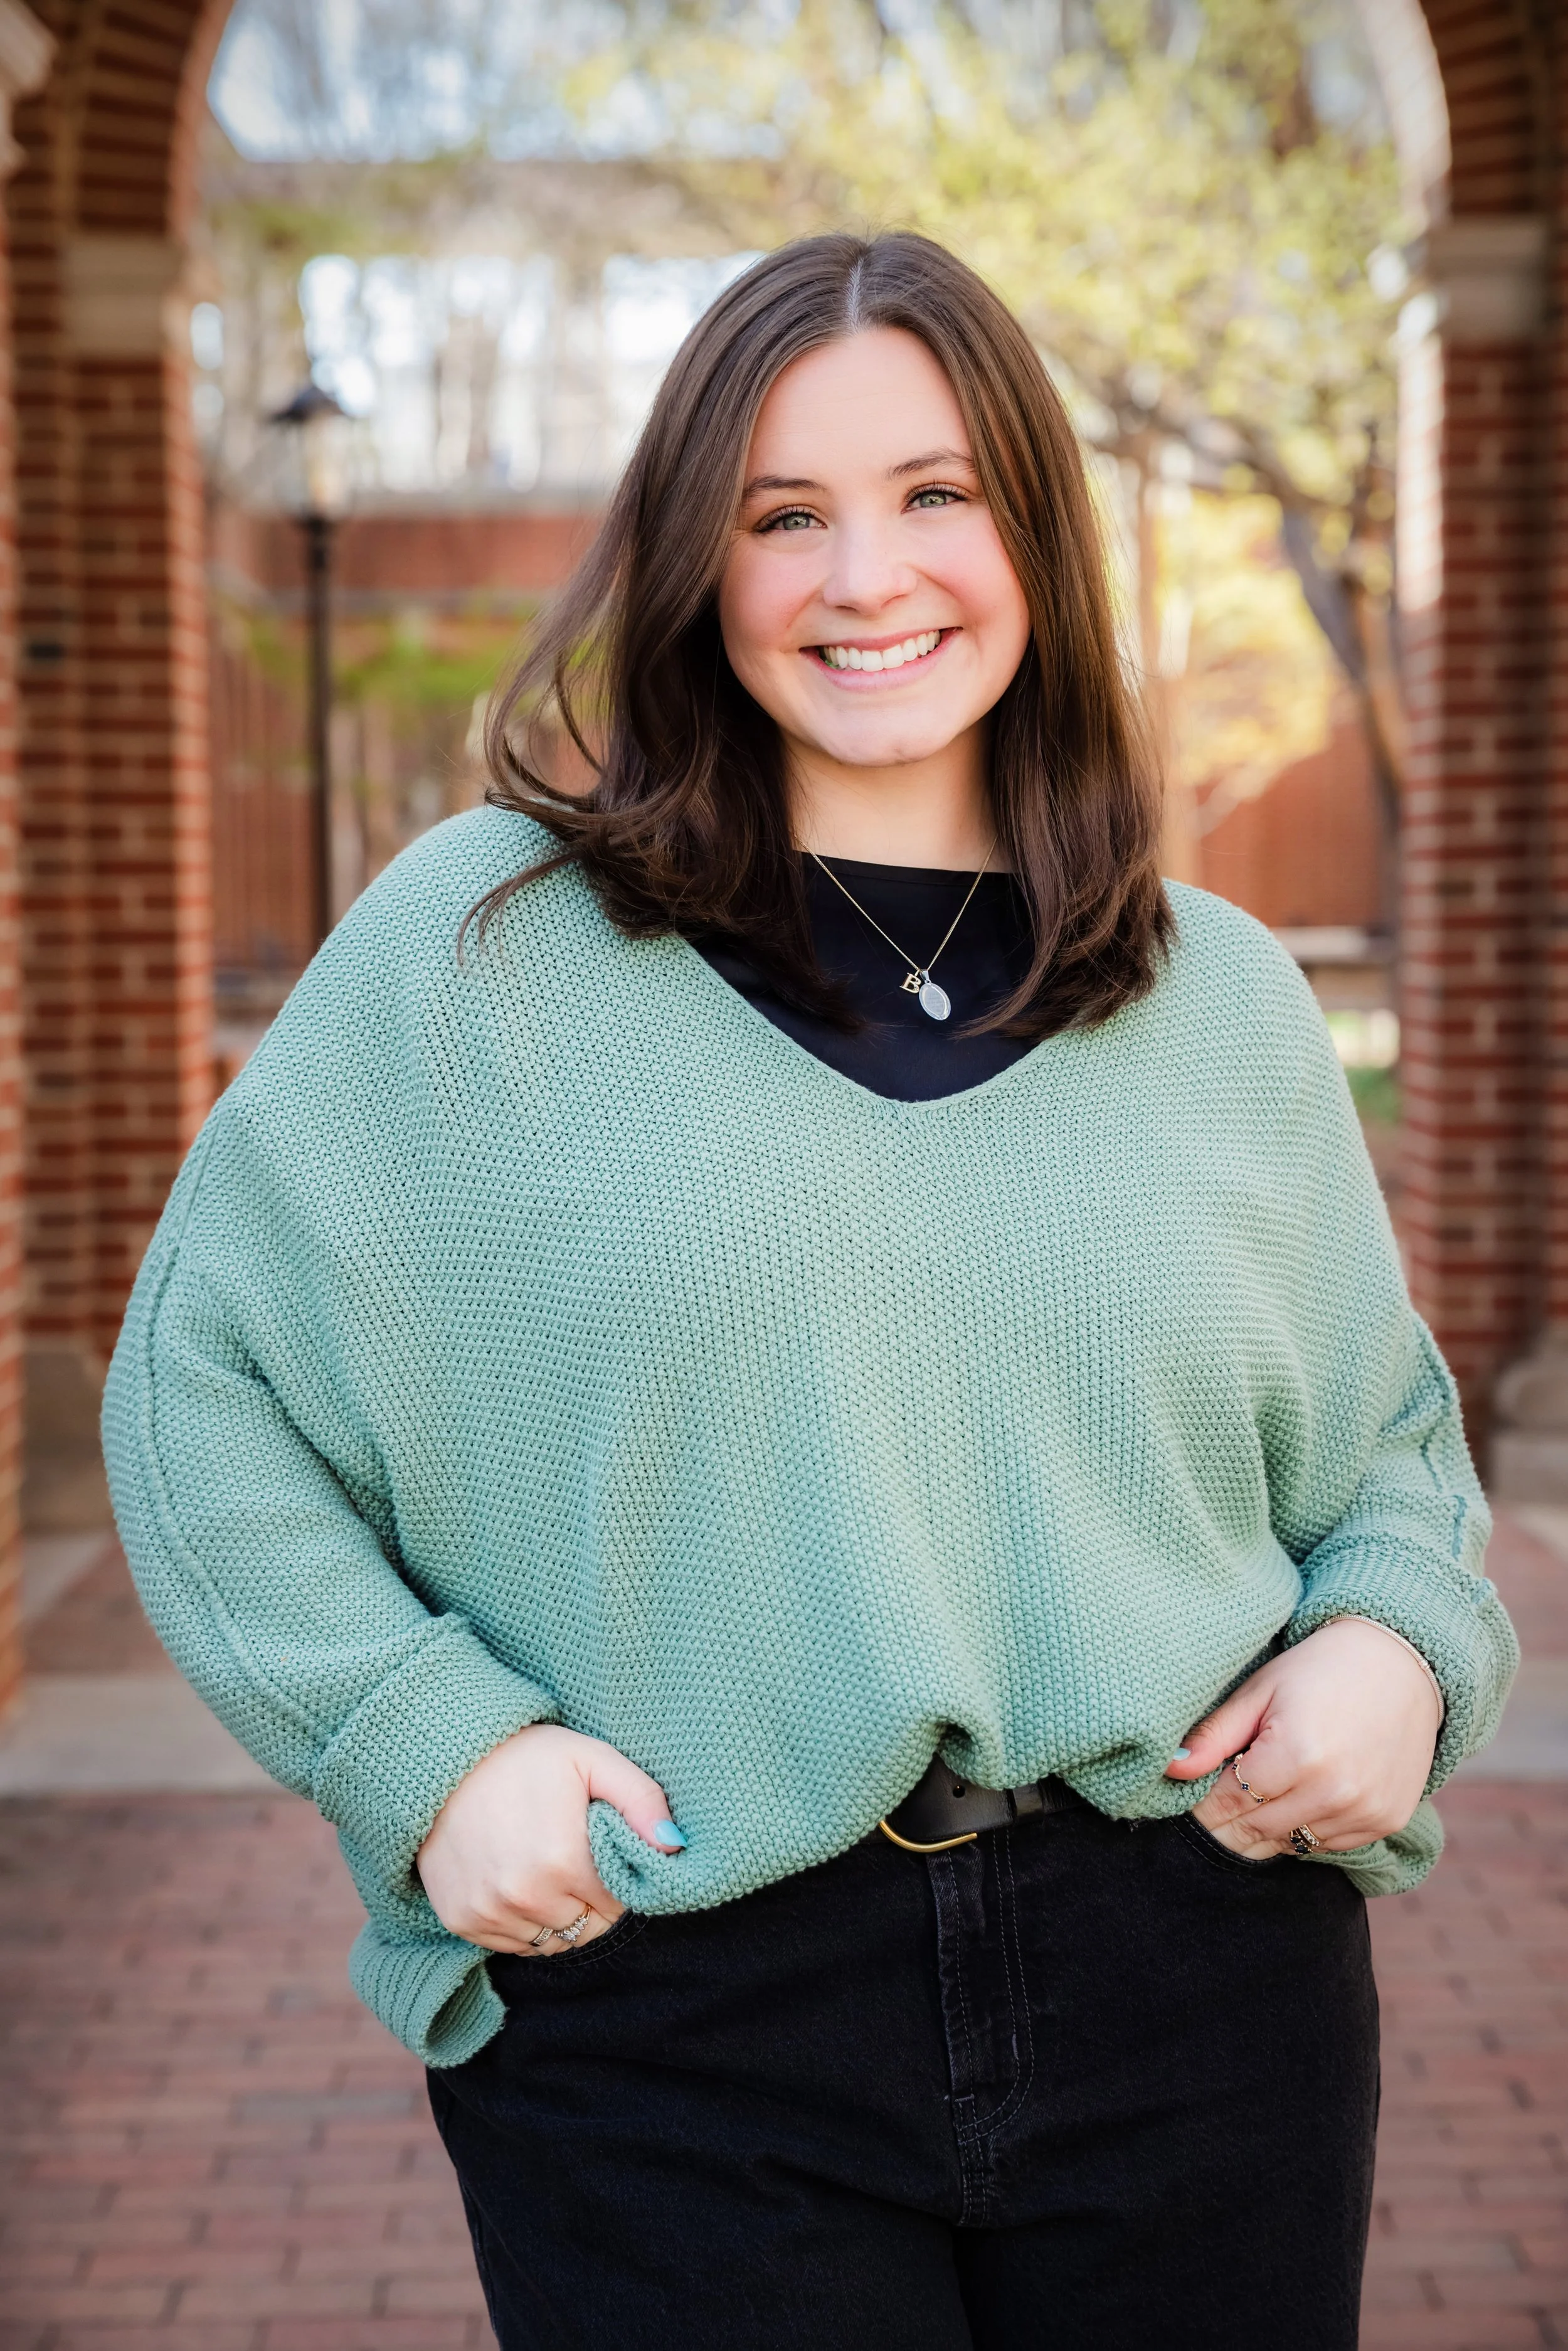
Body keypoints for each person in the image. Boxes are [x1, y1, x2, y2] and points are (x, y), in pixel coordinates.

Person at [104, 233, 1517, 2351]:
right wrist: (418, 1743)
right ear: (696, 557)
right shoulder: (483, 949)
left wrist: (1401, 1647)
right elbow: (199, 1390)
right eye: (785, 513)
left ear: (1032, 530)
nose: (867, 575)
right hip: (686, 1999)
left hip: (1201, 1977)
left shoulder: (1214, 995)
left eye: (934, 492)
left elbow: (1380, 1446)